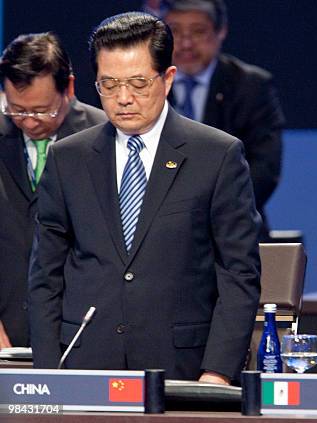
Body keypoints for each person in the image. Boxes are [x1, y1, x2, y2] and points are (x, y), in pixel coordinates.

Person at [28, 12, 261, 384]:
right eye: (109, 84)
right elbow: (45, 277)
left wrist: (216, 373)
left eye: (138, 83)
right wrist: (47, 373)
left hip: (181, 368)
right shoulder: (68, 158)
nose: (123, 99)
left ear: (167, 79)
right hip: (84, 365)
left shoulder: (216, 156)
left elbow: (239, 274)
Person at [0, 32, 106, 348]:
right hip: (7, 332)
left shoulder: (102, 139)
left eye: (41, 110)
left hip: (82, 334)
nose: (29, 123)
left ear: (69, 88)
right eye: (17, 110)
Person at [162, 0, 284, 240]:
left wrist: (207, 212)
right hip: (159, 233)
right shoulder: (146, 85)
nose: (186, 43)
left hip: (235, 228)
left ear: (221, 31)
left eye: (198, 32)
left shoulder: (251, 86)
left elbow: (264, 169)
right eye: (175, 31)